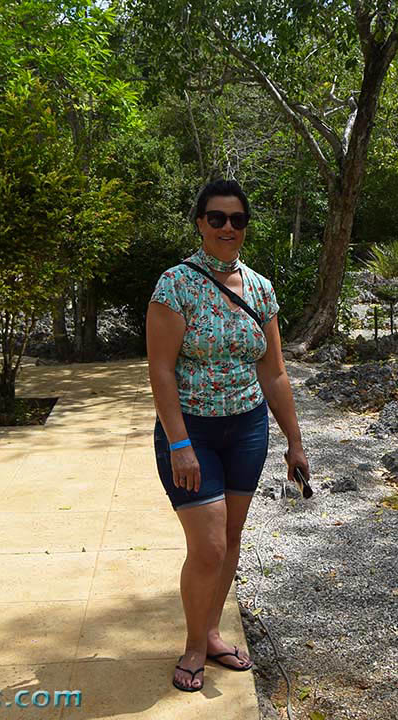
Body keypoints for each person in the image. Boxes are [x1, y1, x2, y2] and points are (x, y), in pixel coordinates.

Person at [147, 179, 310, 693]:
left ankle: (212, 632)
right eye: (216, 218)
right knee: (210, 546)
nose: (227, 228)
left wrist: (296, 442)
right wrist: (178, 443)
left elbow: (275, 372)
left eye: (237, 220)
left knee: (232, 539)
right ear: (199, 223)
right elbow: (161, 370)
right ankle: (195, 645)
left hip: (246, 429)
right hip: (191, 430)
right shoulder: (175, 285)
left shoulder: (260, 289)